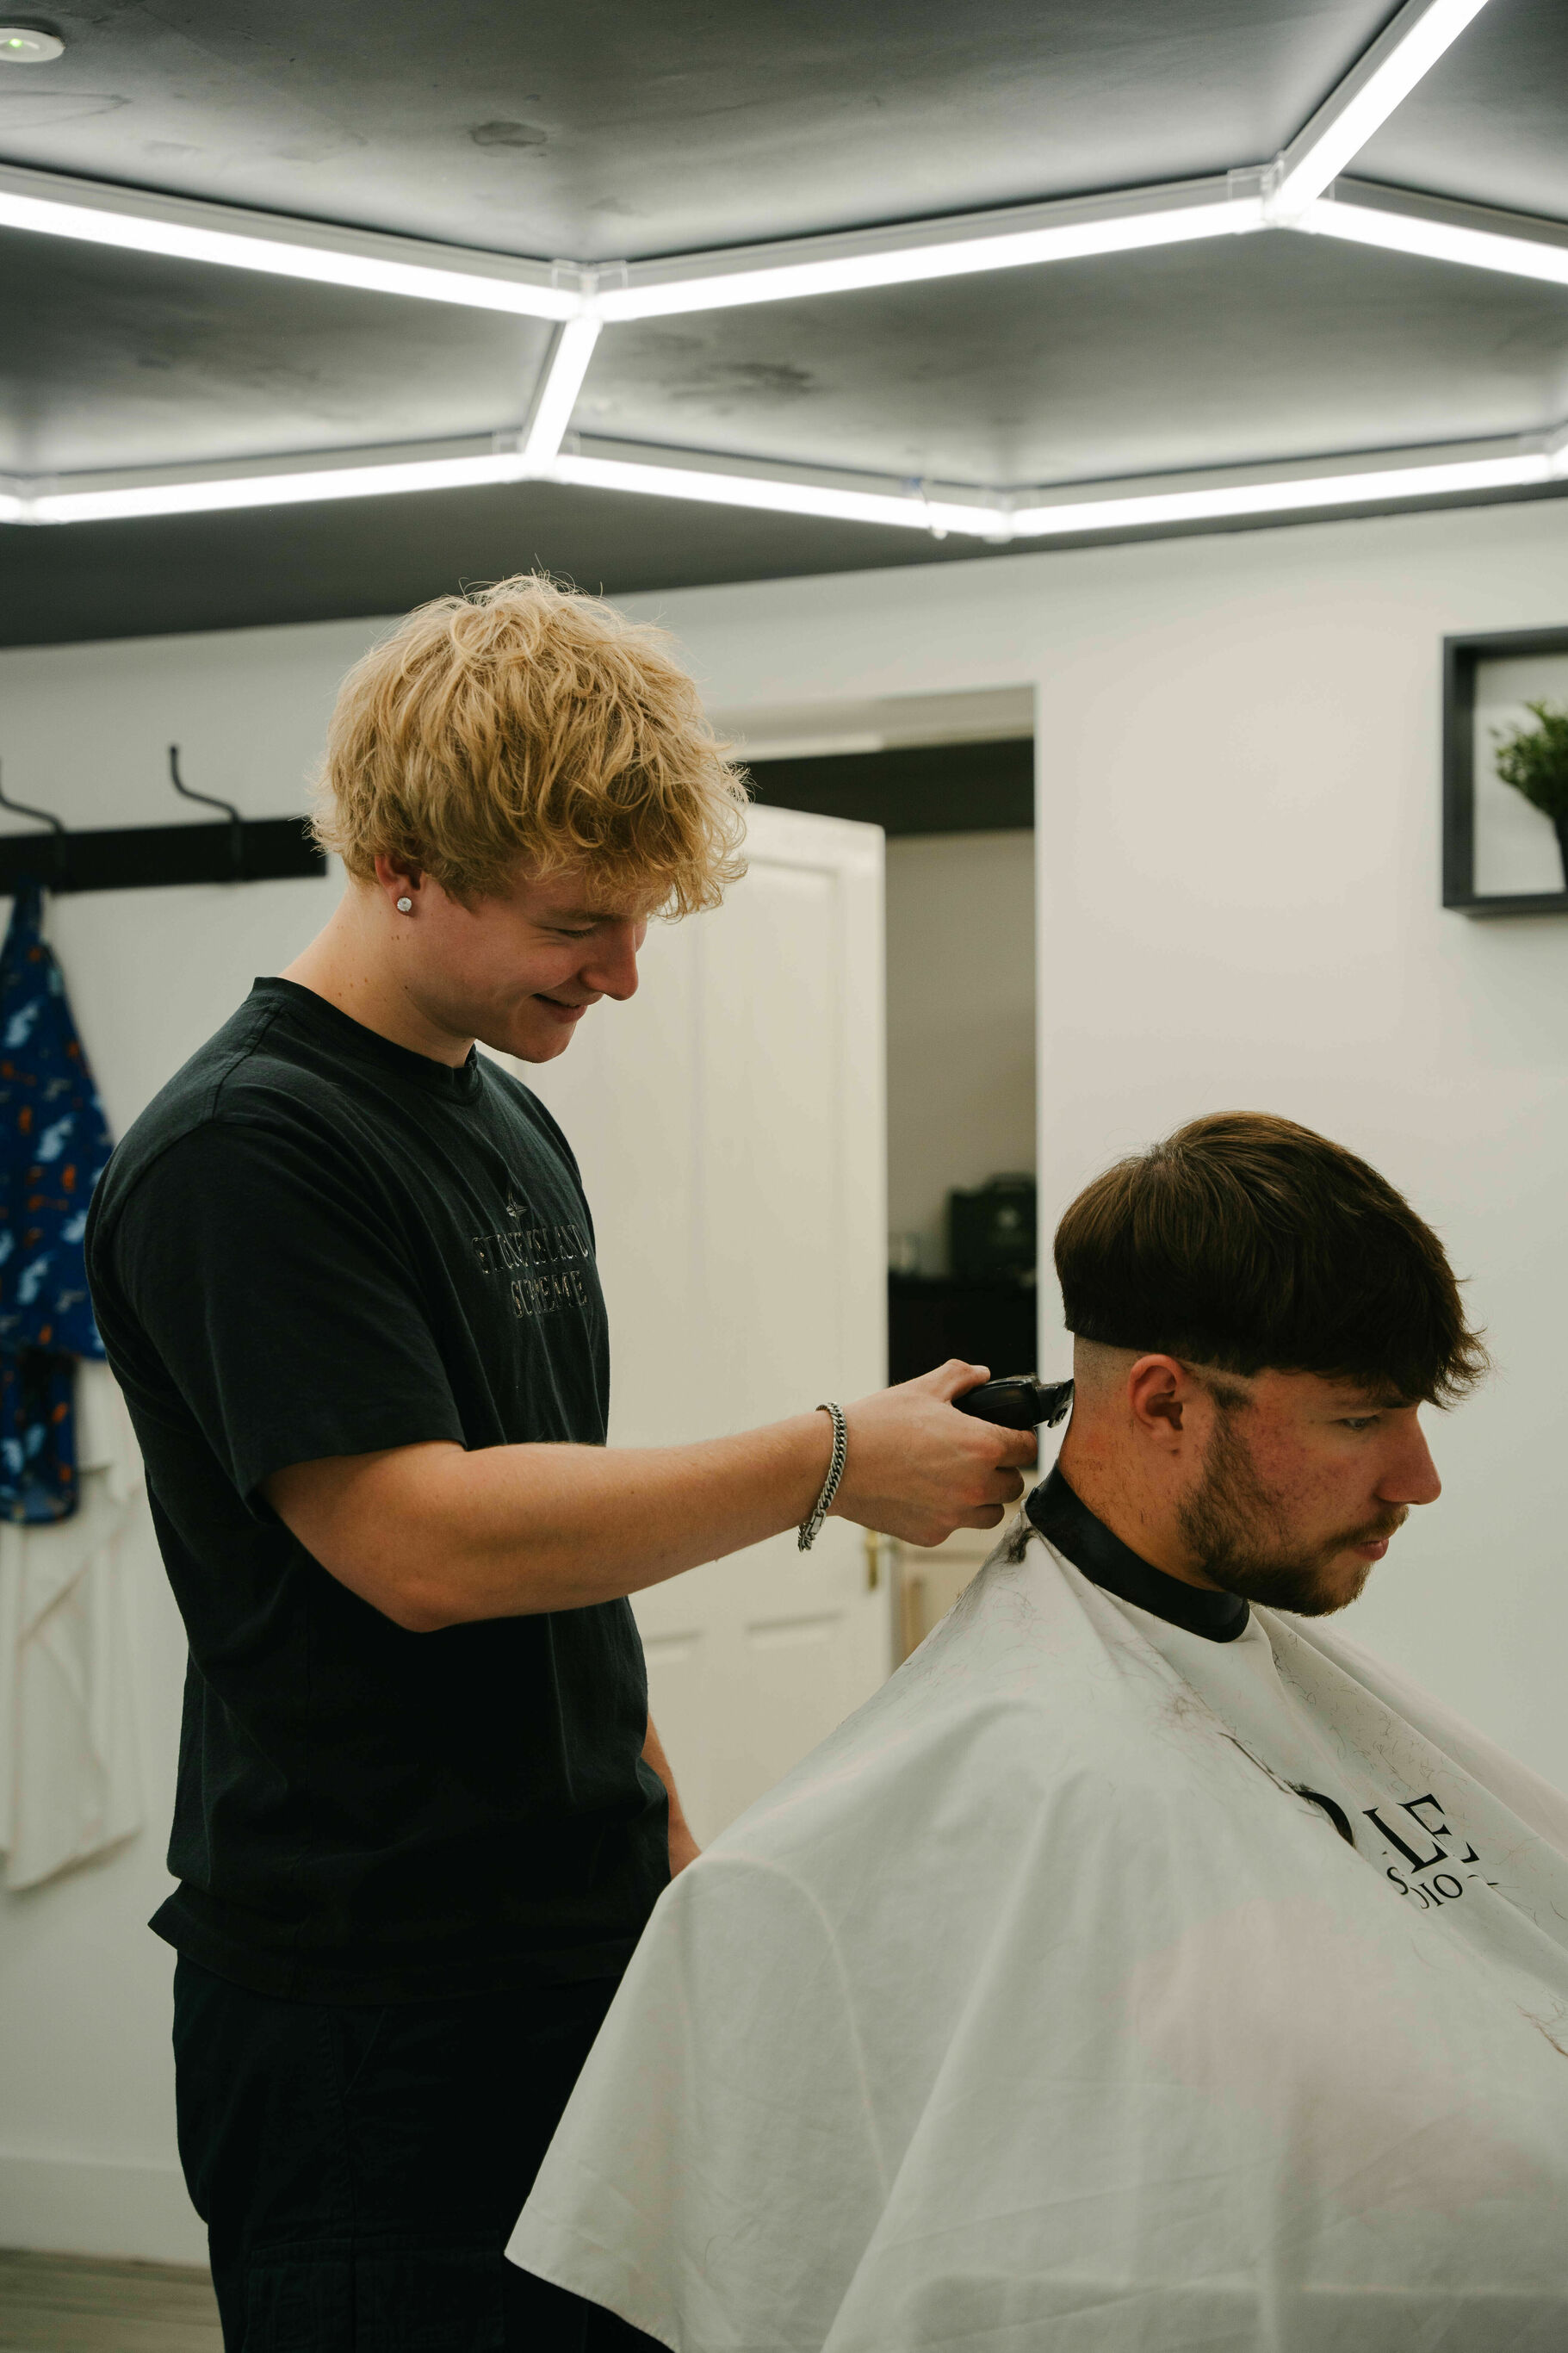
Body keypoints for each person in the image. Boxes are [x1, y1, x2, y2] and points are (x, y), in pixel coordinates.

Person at [84, 575, 1035, 2353]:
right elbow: (422, 1546)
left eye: (637, 922)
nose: (621, 972)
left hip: (570, 1935)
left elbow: (545, 1518)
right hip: (370, 2004)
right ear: (401, 867)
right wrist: (834, 1458)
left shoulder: (502, 1112)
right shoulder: (244, 1150)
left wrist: (648, 1806)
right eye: (579, 923)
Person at [511, 1112, 1568, 2353]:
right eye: (1359, 1420)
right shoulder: (989, 1773)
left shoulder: (1227, 1681)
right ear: (1163, 1402)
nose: (1418, 1478)